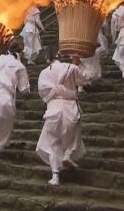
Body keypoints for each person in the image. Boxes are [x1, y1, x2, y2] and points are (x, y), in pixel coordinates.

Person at [35, 47, 88, 186]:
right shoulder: (70, 68)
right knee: (74, 135)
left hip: (53, 108)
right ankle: (68, 155)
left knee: (52, 143)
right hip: (70, 107)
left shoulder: (43, 73)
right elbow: (84, 80)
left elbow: (42, 93)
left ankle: (55, 176)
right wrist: (77, 63)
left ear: (47, 59)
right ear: (59, 55)